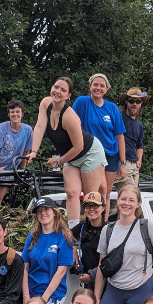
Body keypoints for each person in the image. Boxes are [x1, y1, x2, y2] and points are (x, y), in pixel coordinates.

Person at [27, 77, 106, 224]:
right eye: (56, 87)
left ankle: (94, 231)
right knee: (71, 193)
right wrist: (34, 151)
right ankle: (73, 231)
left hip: (90, 152)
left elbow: (78, 147)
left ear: (68, 95)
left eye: (63, 90)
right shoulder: (45, 103)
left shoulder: (70, 116)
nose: (58, 91)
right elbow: (39, 127)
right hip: (70, 157)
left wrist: (58, 161)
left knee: (90, 198)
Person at [72, 74, 127, 218]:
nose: (98, 88)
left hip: (111, 155)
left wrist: (123, 163)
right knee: (94, 192)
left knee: (106, 193)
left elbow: (120, 136)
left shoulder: (112, 108)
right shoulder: (82, 102)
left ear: (106, 89)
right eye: (95, 84)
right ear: (90, 86)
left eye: (102, 86)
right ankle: (86, 223)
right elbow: (74, 127)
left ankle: (103, 224)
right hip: (90, 154)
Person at [23, 197, 75, 304]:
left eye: (46, 209)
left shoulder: (64, 236)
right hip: (31, 293)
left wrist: (43, 300)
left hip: (51, 296)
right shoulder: (32, 236)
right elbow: (24, 267)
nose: (42, 213)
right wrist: (26, 295)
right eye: (39, 211)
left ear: (54, 212)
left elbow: (61, 270)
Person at [0, 99, 34, 210]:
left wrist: (22, 169)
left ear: (22, 114)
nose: (15, 114)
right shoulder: (3, 127)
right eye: (12, 112)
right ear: (8, 114)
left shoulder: (27, 130)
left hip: (9, 168)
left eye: (17, 111)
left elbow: (25, 152)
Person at [70, 192, 107, 304]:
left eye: (95, 205)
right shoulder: (82, 227)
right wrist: (72, 248)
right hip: (88, 284)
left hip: (109, 283)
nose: (91, 209)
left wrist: (92, 275)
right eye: (87, 206)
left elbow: (112, 259)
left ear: (103, 208)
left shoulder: (110, 229)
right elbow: (64, 236)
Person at [117, 88, 148, 190]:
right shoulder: (119, 118)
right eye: (131, 101)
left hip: (134, 166)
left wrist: (139, 160)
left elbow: (139, 145)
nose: (134, 104)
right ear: (126, 102)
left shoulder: (139, 125)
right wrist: (122, 163)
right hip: (122, 163)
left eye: (138, 101)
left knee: (132, 199)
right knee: (129, 196)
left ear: (141, 104)